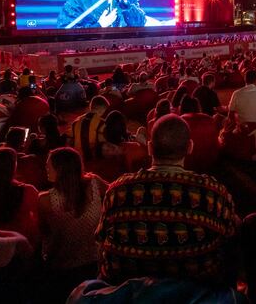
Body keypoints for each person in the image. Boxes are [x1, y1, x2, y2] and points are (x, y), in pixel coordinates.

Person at [96, 114, 238, 285]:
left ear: (149, 148)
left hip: (127, 289)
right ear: (190, 147)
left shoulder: (117, 191)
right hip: (197, 289)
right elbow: (232, 233)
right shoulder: (213, 193)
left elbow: (100, 239)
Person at [38, 148, 108, 299]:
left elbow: (44, 234)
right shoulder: (94, 183)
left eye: (49, 165)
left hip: (62, 267)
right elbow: (115, 195)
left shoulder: (45, 200)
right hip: (95, 263)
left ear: (61, 169)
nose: (46, 168)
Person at [67, 96, 109, 161]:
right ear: (100, 110)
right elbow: (103, 144)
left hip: (78, 158)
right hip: (94, 159)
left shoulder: (76, 121)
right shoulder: (102, 123)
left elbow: (69, 140)